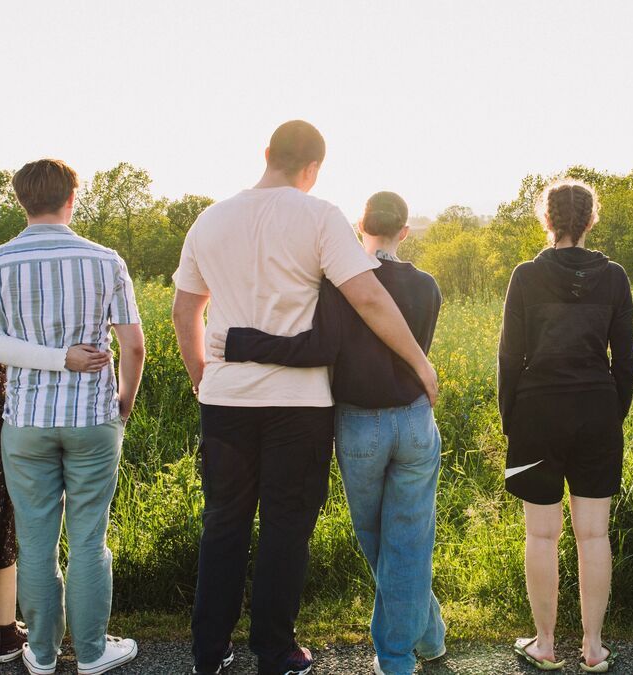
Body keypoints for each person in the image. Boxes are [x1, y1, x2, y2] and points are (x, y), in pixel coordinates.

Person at [171, 121, 437, 675]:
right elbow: (366, 295)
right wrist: (418, 361)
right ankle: (275, 651)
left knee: (223, 522)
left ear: (266, 153)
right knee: (286, 528)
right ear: (313, 168)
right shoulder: (320, 217)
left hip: (226, 400)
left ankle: (208, 651)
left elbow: (185, 309)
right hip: (299, 404)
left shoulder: (210, 219)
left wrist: (203, 375)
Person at [0, 159, 146, 675]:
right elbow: (133, 345)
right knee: (89, 538)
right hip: (91, 417)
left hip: (26, 421)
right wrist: (122, 404)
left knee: (37, 541)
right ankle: (90, 652)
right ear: (72, 198)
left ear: (20, 201)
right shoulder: (106, 260)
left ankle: (40, 654)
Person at [498, 179, 633, 673]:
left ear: (547, 219)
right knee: (594, 535)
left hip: (537, 413)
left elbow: (510, 357)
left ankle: (545, 643)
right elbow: (626, 360)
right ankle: (594, 649)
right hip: (598, 410)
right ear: (590, 220)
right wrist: (610, 412)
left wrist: (510, 418)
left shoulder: (525, 275)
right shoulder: (615, 276)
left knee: (542, 536)